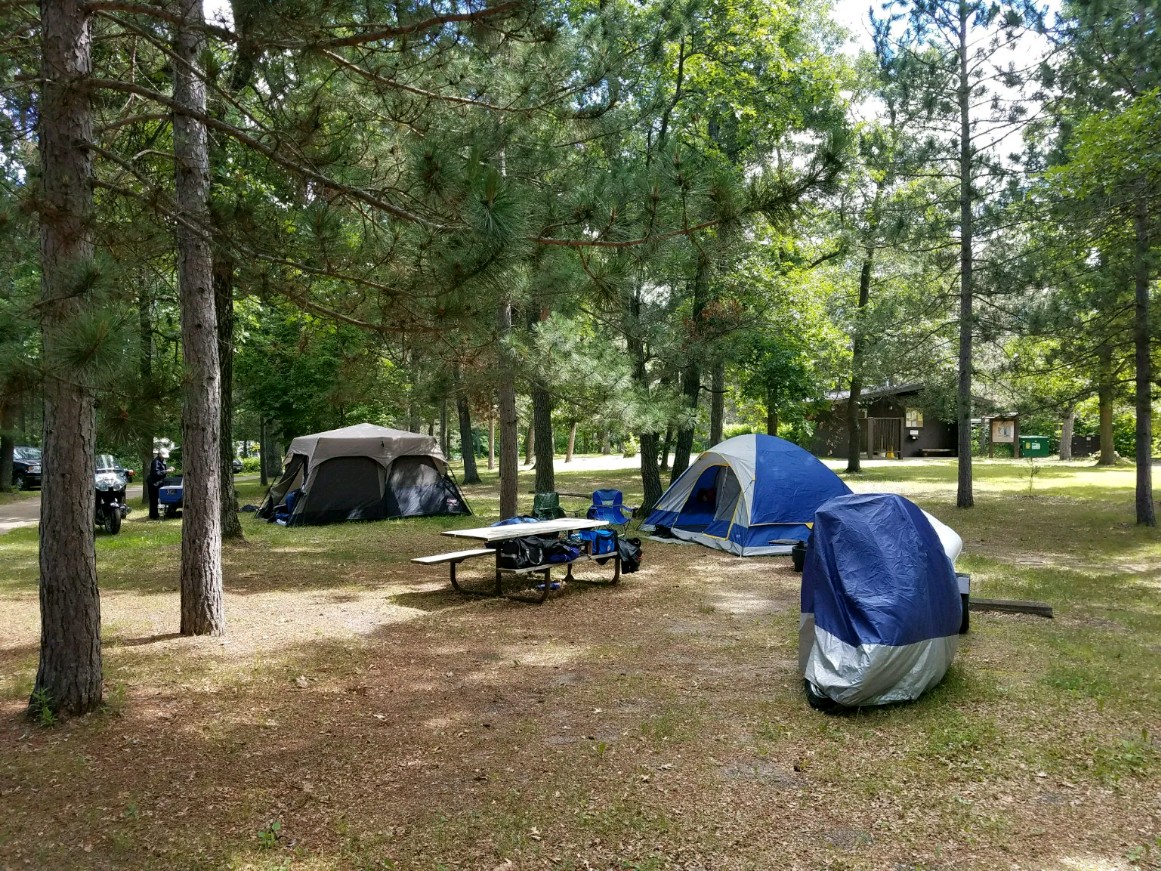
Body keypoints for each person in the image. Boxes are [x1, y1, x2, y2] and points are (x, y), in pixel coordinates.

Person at [147, 451, 167, 519]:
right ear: (159, 454)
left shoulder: (162, 461)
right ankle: (153, 515)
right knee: (154, 499)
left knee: (158, 499)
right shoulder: (156, 462)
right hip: (153, 483)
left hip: (159, 482)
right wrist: (166, 471)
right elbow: (156, 473)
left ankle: (157, 514)